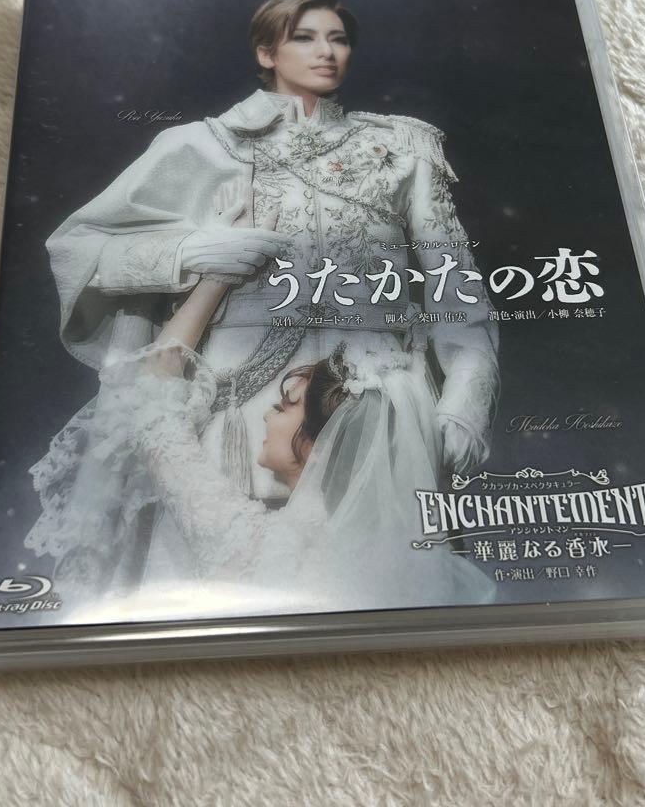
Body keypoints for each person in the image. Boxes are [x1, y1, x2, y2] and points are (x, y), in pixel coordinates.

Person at [43, 0, 499, 504]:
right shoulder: (203, 145)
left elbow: (456, 287)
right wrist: (187, 253)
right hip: (241, 403)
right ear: (266, 53)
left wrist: (466, 402)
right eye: (304, 38)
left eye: (338, 39)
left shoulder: (403, 149)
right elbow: (77, 248)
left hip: (379, 402)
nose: (326, 52)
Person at [28, 180, 495, 615]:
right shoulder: (407, 567)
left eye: (286, 406)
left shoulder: (245, 541)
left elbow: (151, 397)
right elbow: (80, 245)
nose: (270, 412)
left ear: (317, 444)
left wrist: (215, 276)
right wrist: (188, 249)